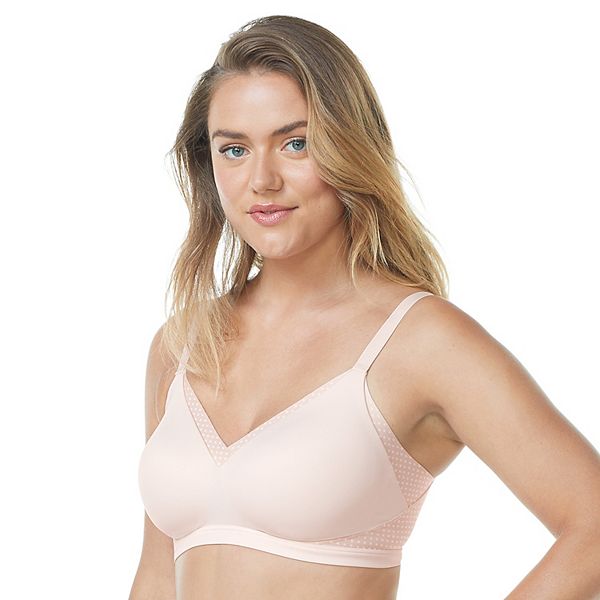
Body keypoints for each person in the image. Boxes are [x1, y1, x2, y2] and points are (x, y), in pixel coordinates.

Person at [129, 14, 600, 600]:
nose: (262, 180)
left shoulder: (421, 341)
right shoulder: (182, 343)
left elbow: (593, 527)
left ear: (350, 148)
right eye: (234, 149)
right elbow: (156, 575)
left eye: (296, 143)